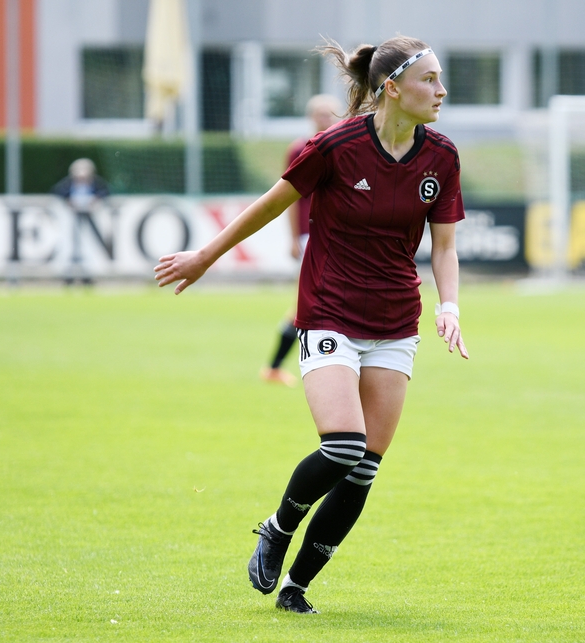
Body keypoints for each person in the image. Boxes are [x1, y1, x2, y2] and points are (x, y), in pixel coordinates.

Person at [154, 35, 468, 614]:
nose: (441, 90)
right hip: (330, 311)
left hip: (397, 322)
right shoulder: (336, 145)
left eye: (440, 78)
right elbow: (270, 205)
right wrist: (204, 257)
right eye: (429, 79)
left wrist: (448, 306)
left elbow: (444, 247)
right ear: (391, 88)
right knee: (344, 446)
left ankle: (297, 586)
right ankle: (278, 527)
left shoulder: (442, 157)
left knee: (365, 468)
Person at [260, 94, 342, 388]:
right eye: (320, 114)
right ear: (311, 117)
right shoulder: (300, 148)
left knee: (312, 302)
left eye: (330, 114)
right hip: (312, 235)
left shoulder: (344, 147)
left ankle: (277, 368)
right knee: (309, 303)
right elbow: (290, 198)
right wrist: (294, 237)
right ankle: (285, 367)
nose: (325, 118)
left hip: (337, 236)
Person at [51, 158, 111, 285]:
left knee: (89, 249)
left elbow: (106, 192)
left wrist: (96, 200)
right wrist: (68, 201)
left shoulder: (97, 184)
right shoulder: (67, 184)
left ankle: (87, 277)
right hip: (72, 222)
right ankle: (69, 276)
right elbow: (57, 192)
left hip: (91, 222)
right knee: (70, 248)